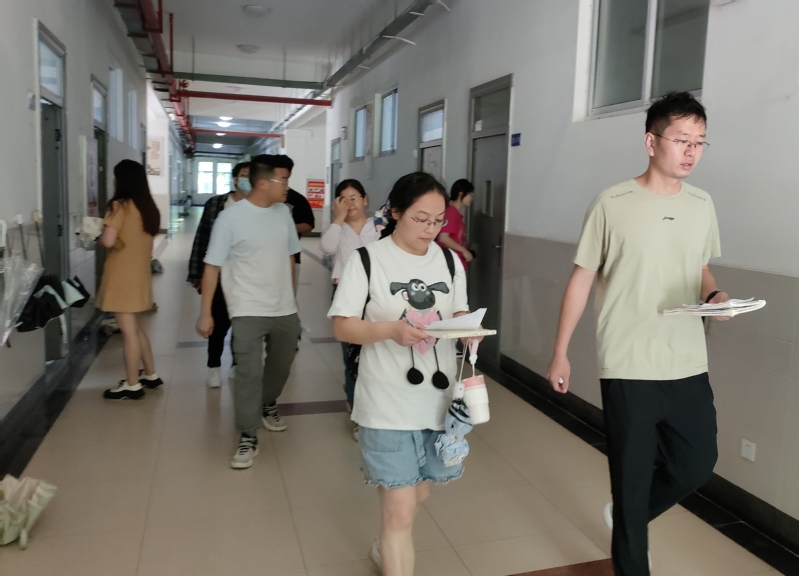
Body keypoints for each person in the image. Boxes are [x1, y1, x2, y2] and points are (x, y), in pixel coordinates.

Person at [546, 92, 728, 576]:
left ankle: (631, 516)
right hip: (628, 363)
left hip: (686, 359)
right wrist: (561, 351)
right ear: (651, 142)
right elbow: (582, 279)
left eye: (700, 142)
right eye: (682, 139)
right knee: (629, 479)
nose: (691, 151)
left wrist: (714, 297)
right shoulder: (612, 203)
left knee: (696, 464)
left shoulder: (702, 204)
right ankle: (630, 536)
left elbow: (700, 268)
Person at [330, 172, 479, 576]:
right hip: (386, 403)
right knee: (399, 511)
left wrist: (469, 330)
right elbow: (342, 326)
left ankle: (387, 544)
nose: (430, 229)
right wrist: (389, 331)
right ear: (395, 212)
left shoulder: (448, 261)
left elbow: (459, 311)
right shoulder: (367, 259)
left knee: (419, 493)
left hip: (438, 405)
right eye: (420, 219)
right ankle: (391, 549)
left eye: (438, 221)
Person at [196, 154, 302, 469]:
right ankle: (247, 435)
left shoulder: (283, 213)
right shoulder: (229, 218)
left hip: (284, 308)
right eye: (283, 180)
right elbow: (212, 267)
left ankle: (267, 402)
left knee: (281, 365)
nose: (287, 186)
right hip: (246, 308)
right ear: (263, 183)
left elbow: (291, 257)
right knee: (248, 373)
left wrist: (293, 300)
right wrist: (206, 313)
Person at [98, 159, 163, 400]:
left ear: (121, 179)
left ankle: (132, 384)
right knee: (136, 327)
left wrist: (96, 235)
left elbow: (108, 241)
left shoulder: (119, 205)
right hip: (140, 274)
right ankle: (151, 374)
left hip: (121, 276)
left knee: (128, 332)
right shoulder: (147, 207)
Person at [320, 179, 381, 437]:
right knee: (352, 357)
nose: (350, 203)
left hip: (376, 296)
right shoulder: (337, 229)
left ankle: (374, 407)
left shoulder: (379, 226)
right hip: (346, 296)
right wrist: (338, 218)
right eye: (344, 199)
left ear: (365, 200)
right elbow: (326, 248)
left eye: (354, 197)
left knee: (376, 354)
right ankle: (358, 414)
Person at [187, 162, 250, 388]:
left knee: (242, 325)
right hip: (219, 275)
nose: (247, 180)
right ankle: (213, 366)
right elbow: (202, 238)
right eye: (243, 175)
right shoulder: (216, 204)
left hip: (245, 276)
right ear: (235, 179)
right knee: (218, 323)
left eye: (251, 175)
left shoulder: (259, 207)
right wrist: (197, 276)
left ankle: (236, 364)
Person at [273, 155, 315, 293]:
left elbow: (309, 225)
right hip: (266, 259)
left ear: (289, 174)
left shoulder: (297, 199)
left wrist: (287, 228)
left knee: (288, 297)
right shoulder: (266, 199)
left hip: (291, 257)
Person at [436, 179, 474, 270]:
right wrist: (463, 250)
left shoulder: (456, 215)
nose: (472, 198)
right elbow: (443, 238)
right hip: (450, 264)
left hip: (457, 263)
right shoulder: (451, 214)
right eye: (470, 194)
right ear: (461, 194)